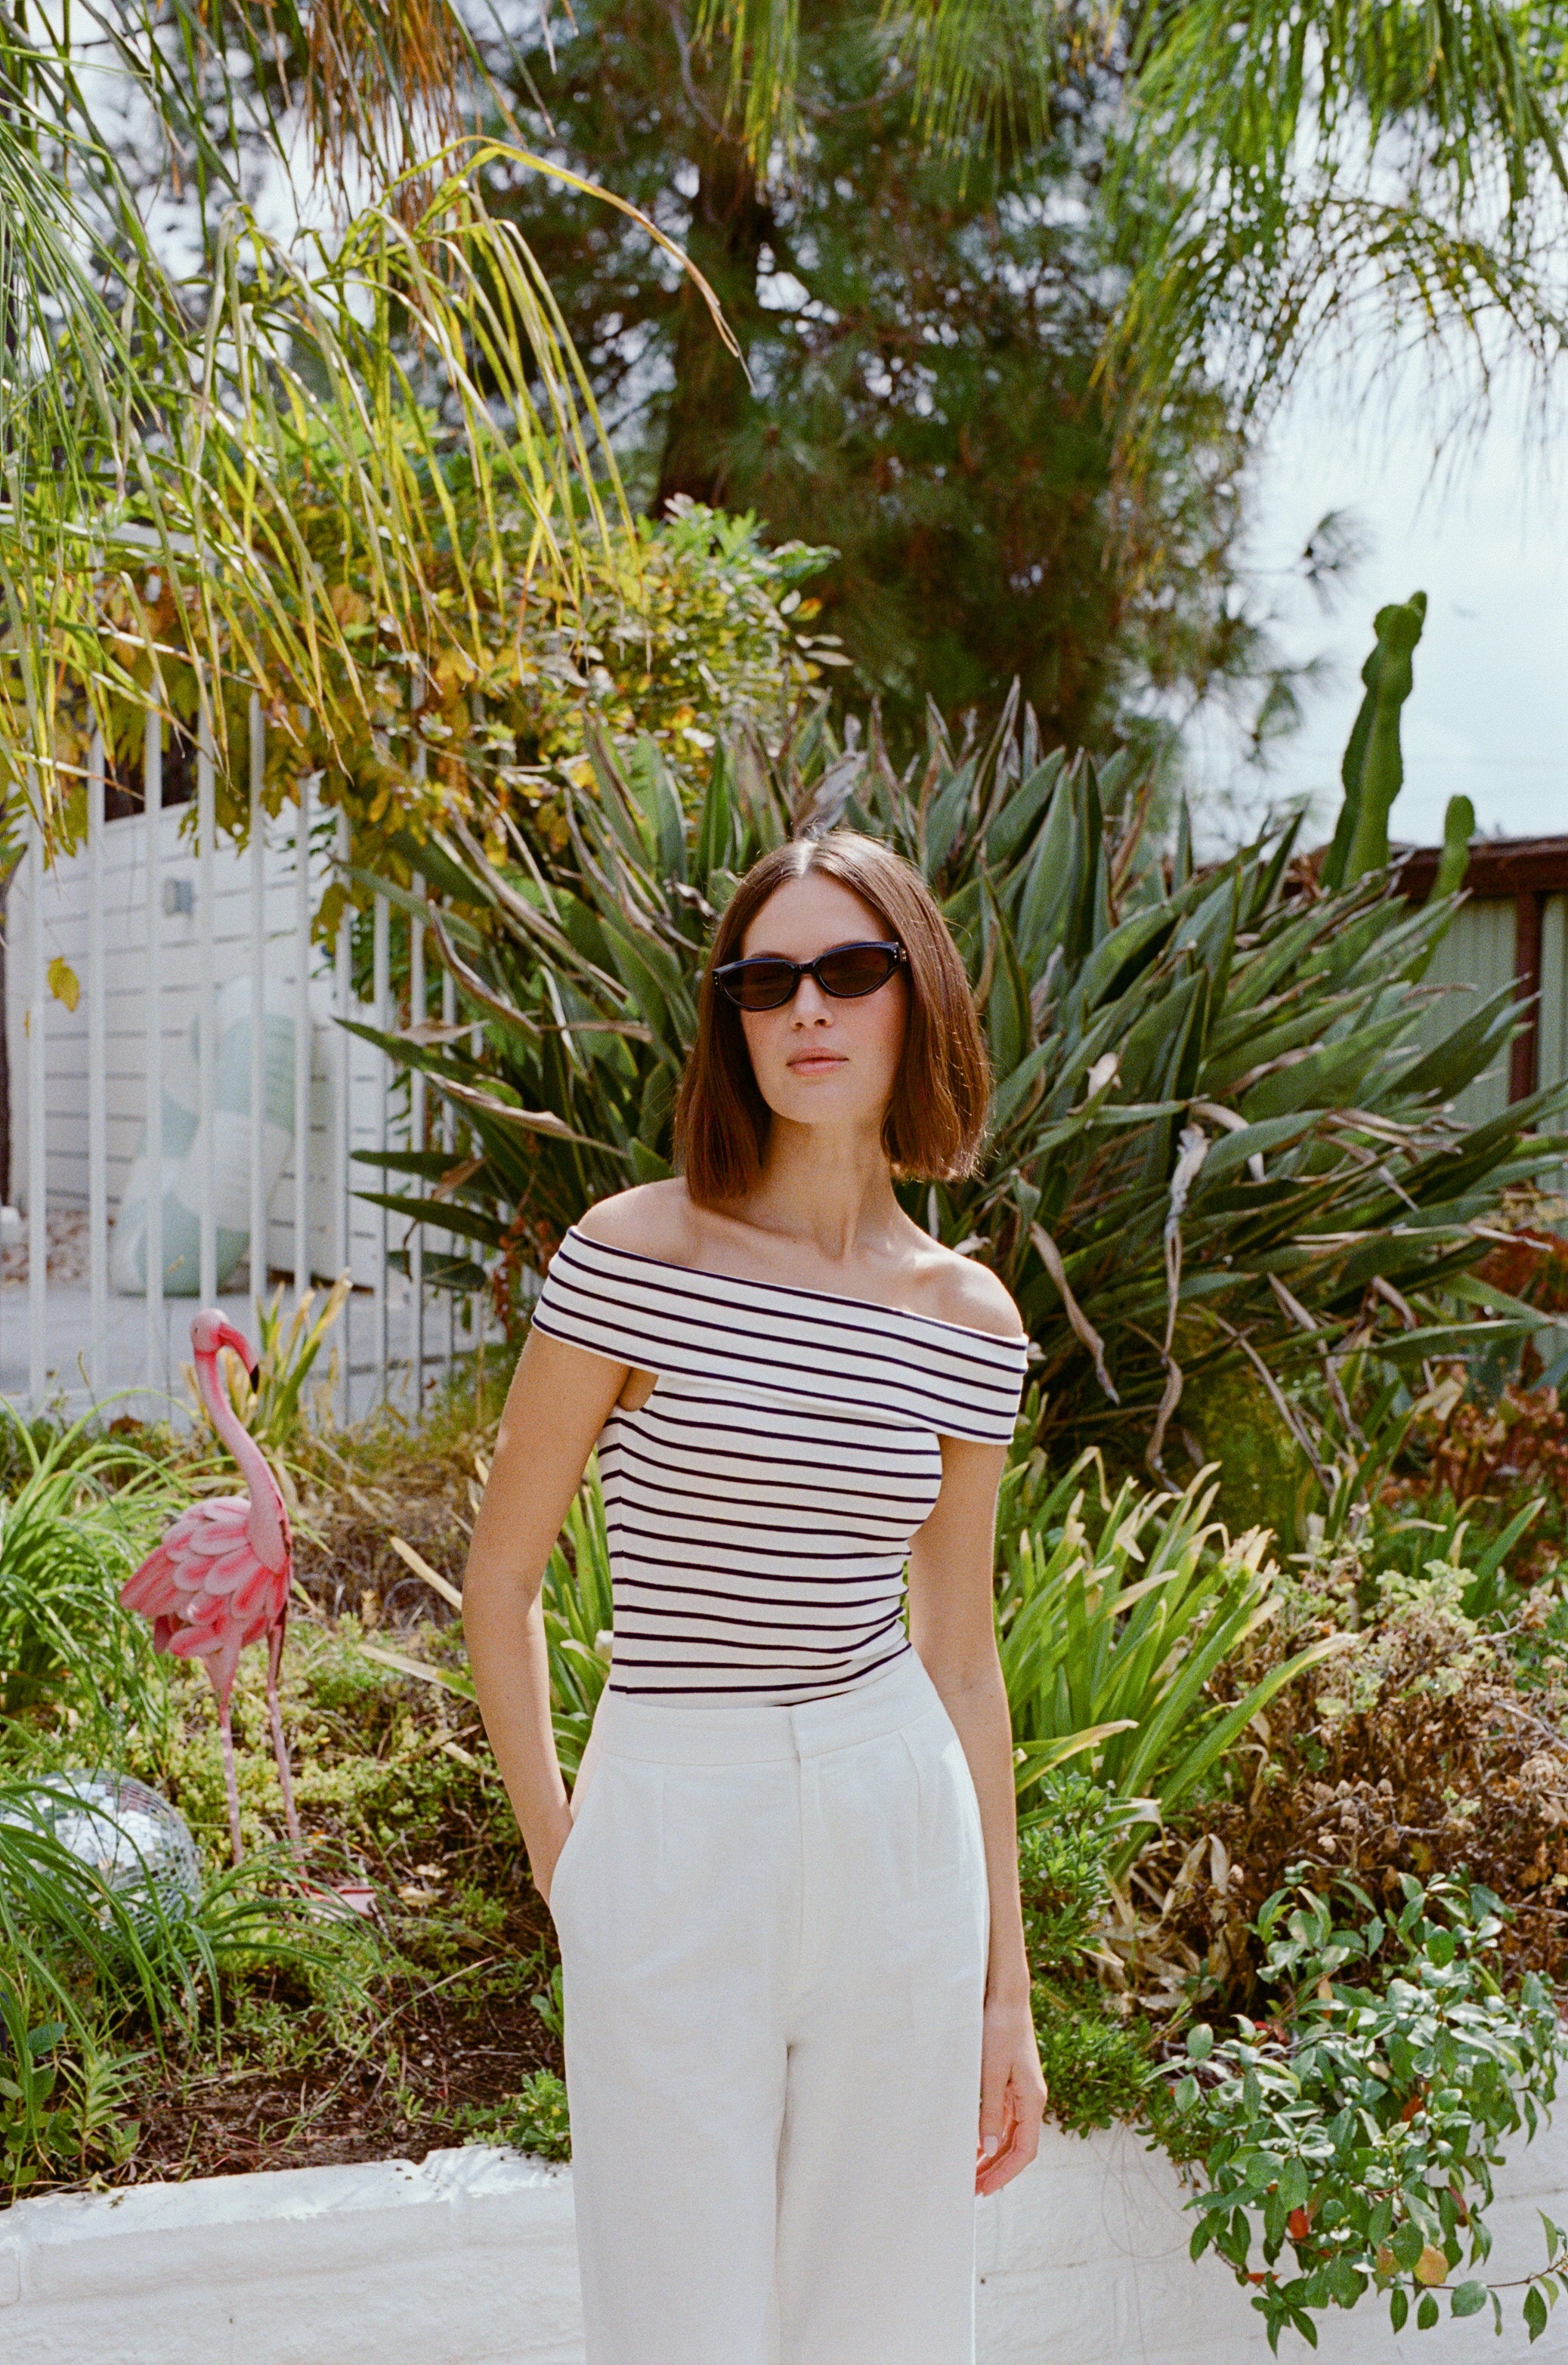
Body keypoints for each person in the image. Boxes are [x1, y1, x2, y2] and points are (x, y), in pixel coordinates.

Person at [462, 829, 1048, 2365]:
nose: (808, 1006)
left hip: (892, 1816)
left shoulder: (966, 1315)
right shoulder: (633, 1252)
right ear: (730, 1016)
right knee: (677, 2325)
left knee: (888, 2320)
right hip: (675, 1810)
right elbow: (503, 1575)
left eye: (849, 969)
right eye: (764, 977)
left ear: (916, 998)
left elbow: (965, 1658)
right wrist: (563, 1864)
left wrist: (1011, 1995)